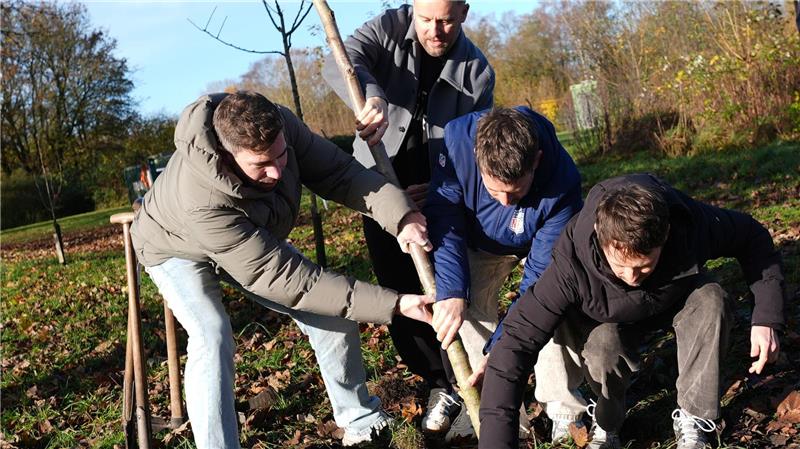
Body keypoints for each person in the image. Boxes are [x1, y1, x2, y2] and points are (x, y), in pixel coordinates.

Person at [130, 91, 436, 449]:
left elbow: (340, 174)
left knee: (331, 313)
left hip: (247, 236)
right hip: (173, 245)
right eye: (262, 164)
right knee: (211, 334)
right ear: (228, 157)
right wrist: (396, 304)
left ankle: (362, 423)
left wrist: (401, 216)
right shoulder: (203, 200)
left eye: (281, 156)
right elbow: (292, 282)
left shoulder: (281, 126)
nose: (277, 171)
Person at [479, 173, 785, 449]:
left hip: (677, 299)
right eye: (621, 266)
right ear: (601, 235)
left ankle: (694, 420)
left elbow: (752, 236)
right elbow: (515, 345)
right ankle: (608, 421)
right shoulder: (570, 263)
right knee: (603, 347)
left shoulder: (689, 224)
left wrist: (767, 317)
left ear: (664, 235)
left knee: (711, 299)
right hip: (610, 318)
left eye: (644, 265)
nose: (633, 277)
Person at [322, 0, 495, 435]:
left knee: (444, 283)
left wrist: (435, 192)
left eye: (447, 21)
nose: (436, 30)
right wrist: (372, 92)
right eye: (426, 19)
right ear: (412, 9)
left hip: (440, 190)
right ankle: (436, 383)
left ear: (465, 13)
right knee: (398, 288)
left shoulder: (477, 73)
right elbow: (341, 60)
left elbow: (473, 154)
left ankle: (461, 378)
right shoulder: (384, 28)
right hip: (379, 186)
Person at [425, 107, 586, 441]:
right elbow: (446, 217)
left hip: (540, 242)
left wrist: (503, 348)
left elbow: (539, 285)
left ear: (536, 161)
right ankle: (489, 408)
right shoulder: (455, 143)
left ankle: (562, 404)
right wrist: (453, 291)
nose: (505, 201)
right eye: (494, 190)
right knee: (461, 309)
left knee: (555, 302)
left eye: (515, 191)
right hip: (476, 240)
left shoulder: (563, 181)